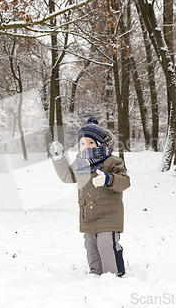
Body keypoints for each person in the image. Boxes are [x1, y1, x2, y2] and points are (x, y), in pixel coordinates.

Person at [49, 117, 130, 277]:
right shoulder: (79, 164)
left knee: (106, 245)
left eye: (91, 143)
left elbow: (125, 181)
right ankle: (96, 273)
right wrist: (59, 158)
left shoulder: (112, 161)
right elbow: (68, 177)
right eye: (82, 143)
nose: (86, 146)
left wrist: (109, 178)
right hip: (88, 216)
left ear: (100, 144)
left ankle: (113, 275)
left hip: (109, 216)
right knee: (91, 246)